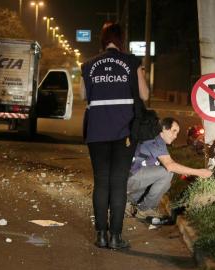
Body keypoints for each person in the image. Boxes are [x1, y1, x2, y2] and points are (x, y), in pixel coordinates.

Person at [80, 22, 149, 249]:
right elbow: (144, 94)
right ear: (122, 39)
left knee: (101, 182)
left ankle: (100, 235)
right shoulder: (131, 62)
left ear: (103, 39)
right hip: (125, 132)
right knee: (118, 183)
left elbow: (83, 95)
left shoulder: (88, 65)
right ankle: (115, 237)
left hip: (96, 131)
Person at [127, 117, 212, 218]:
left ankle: (129, 202)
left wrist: (181, 171)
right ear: (163, 129)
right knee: (167, 173)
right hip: (127, 179)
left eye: (177, 133)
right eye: (174, 131)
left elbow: (168, 163)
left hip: (131, 179)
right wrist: (200, 172)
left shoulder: (156, 140)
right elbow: (170, 165)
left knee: (166, 183)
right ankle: (144, 210)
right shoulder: (155, 141)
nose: (175, 136)